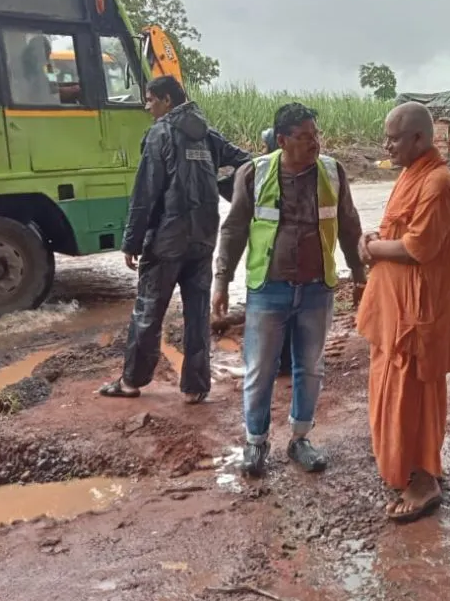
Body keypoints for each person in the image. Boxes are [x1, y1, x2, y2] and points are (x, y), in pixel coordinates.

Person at [214, 102, 366, 477]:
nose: (314, 143)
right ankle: (255, 442)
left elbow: (349, 225)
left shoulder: (333, 171)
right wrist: (221, 280)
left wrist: (360, 275)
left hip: (317, 289)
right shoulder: (255, 172)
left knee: (310, 368)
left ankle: (300, 439)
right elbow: (233, 230)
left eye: (316, 135)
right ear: (282, 140)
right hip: (268, 288)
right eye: (304, 137)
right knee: (260, 369)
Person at [99, 75, 249, 404]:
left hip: (167, 242)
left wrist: (131, 242)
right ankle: (196, 387)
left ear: (167, 100)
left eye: (150, 99)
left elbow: (145, 194)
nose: (146, 105)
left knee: (148, 310)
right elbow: (248, 164)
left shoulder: (160, 134)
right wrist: (219, 190)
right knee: (196, 313)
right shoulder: (208, 135)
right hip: (203, 240)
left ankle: (130, 382)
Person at [356, 101, 450, 523]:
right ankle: (410, 470)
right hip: (392, 312)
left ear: (419, 138)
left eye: (394, 138)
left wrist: (370, 249)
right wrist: (377, 239)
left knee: (410, 401)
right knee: (392, 396)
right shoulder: (410, 175)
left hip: (415, 318)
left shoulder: (437, 183)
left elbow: (418, 248)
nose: (387, 145)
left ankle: (422, 483)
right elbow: (397, 230)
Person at [261, 126, 293, 377]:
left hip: (276, 261)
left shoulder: (269, 177)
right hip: (273, 260)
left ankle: (283, 363)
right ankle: (286, 361)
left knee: (280, 318)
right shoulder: (265, 174)